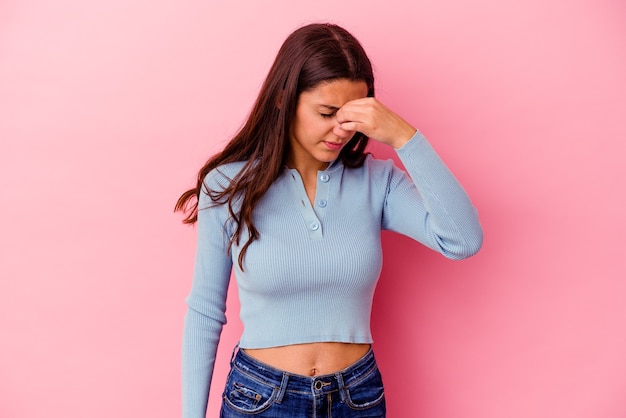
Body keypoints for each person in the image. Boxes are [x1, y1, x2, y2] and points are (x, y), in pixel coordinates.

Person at [175, 22, 483, 418]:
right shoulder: (230, 186)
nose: (341, 130)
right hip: (260, 399)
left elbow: (462, 239)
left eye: (353, 116)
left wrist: (405, 137)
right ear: (284, 100)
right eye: (327, 112)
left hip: (357, 397)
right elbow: (204, 310)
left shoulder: (377, 183)